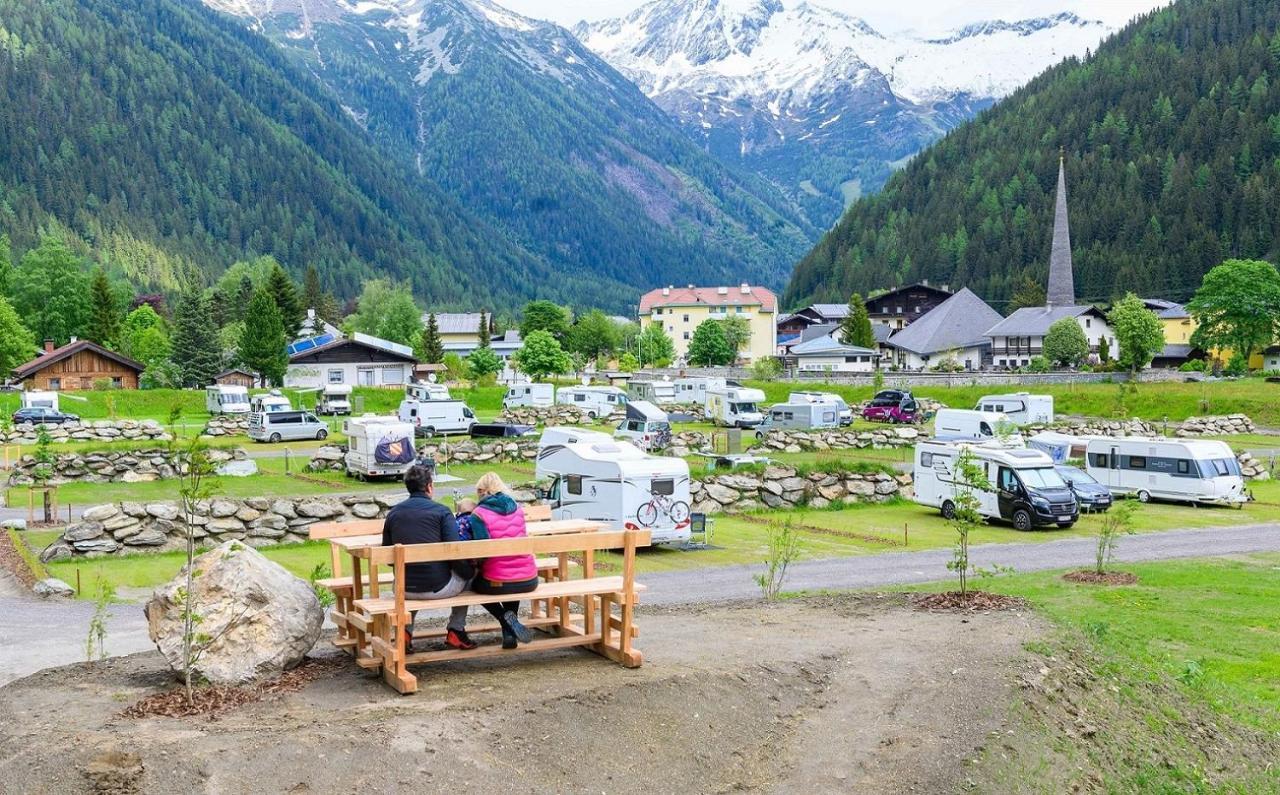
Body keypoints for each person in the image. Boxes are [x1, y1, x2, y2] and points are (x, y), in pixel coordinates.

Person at [381, 463, 477, 651]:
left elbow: (389, 558)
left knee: (409, 573)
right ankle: (456, 630)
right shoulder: (441, 512)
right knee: (469, 575)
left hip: (403, 588)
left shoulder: (393, 514)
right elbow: (455, 551)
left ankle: (405, 633)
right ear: (430, 487)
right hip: (437, 587)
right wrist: (468, 573)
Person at [467, 472, 539, 649]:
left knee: (471, 586)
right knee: (510, 579)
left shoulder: (478, 514)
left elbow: (482, 552)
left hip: (498, 581)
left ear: (481, 491)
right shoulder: (517, 508)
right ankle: (509, 632)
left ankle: (505, 621)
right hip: (529, 579)